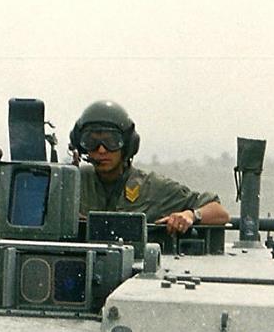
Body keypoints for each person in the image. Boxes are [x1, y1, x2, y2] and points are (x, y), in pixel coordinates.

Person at [68, 99, 226, 236]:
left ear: (128, 145)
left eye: (112, 141)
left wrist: (190, 215)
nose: (102, 150)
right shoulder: (72, 183)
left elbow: (219, 212)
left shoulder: (152, 187)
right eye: (91, 142)